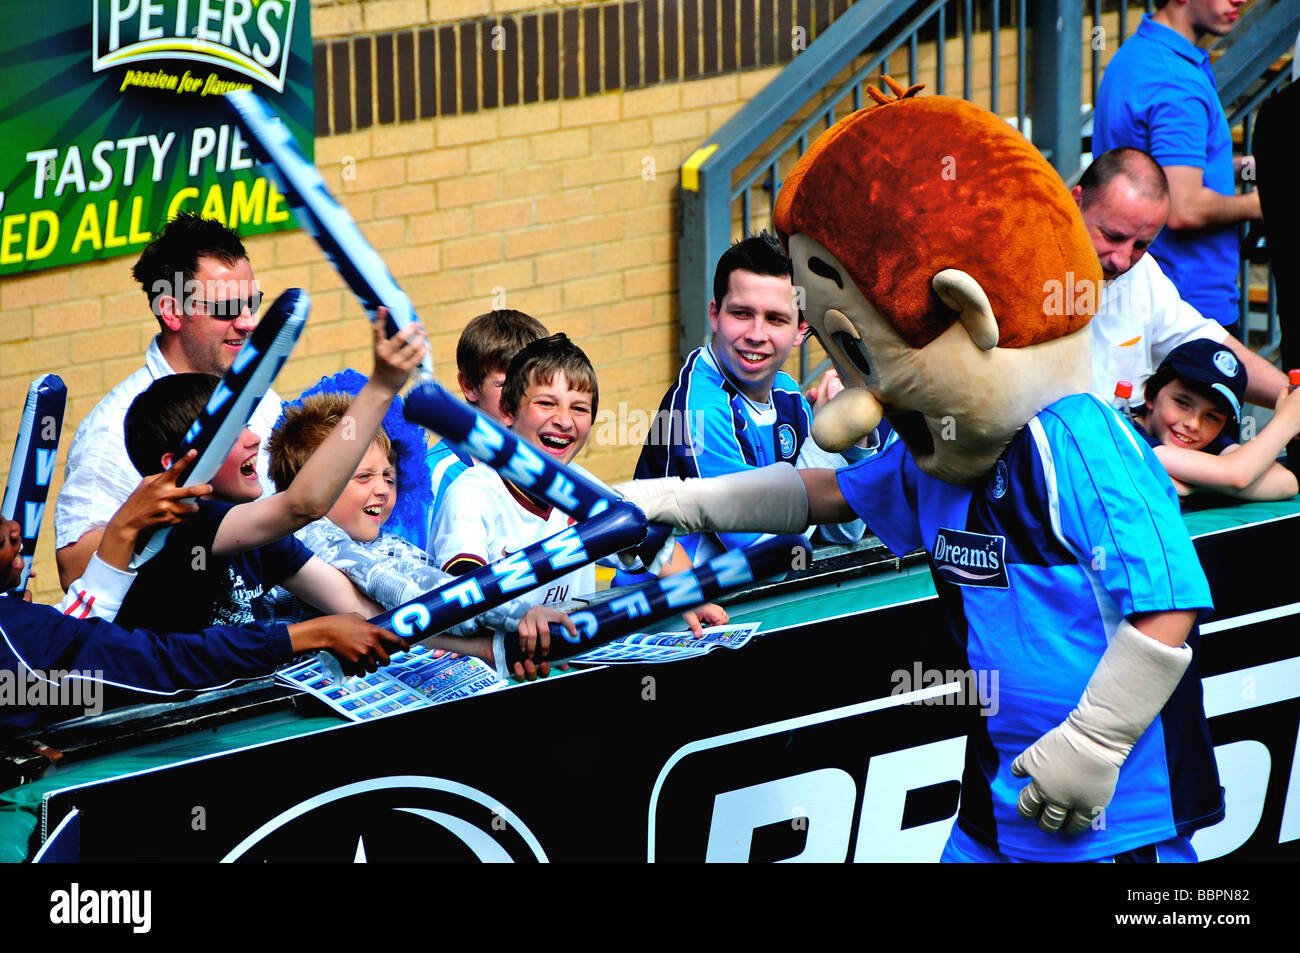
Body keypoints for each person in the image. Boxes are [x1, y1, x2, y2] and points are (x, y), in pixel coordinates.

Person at [620, 88, 1224, 861]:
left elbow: (1170, 607)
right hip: (1000, 788)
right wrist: (675, 500)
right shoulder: (943, 448)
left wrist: (1095, 742)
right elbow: (819, 493)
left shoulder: (1078, 438)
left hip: (1108, 803)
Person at [111, 317, 426, 633]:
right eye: (233, 430)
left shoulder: (259, 537)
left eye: (247, 424)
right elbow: (301, 506)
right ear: (178, 463)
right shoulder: (180, 527)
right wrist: (381, 386)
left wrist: (452, 639)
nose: (254, 438)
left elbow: (360, 610)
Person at [265, 380, 577, 680]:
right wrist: (511, 613)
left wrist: (497, 642)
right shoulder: (306, 532)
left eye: (388, 477)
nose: (384, 489)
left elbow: (426, 576)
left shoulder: (383, 542)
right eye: (364, 477)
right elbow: (394, 584)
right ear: (314, 485)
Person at [0, 512, 408, 735]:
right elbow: (157, 664)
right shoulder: (15, 634)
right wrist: (311, 635)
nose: (14, 528)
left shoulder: (19, 625)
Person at [431, 333, 727, 638]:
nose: (564, 420)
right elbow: (462, 591)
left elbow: (658, 547)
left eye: (580, 408)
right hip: (495, 667)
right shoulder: (472, 492)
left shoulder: (585, 489)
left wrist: (690, 592)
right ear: (507, 410)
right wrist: (518, 616)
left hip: (569, 655)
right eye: (546, 403)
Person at [55, 213, 283, 590]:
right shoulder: (112, 428)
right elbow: (74, 571)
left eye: (252, 304)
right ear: (172, 311)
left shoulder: (258, 392)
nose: (247, 323)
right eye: (227, 308)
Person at [629, 232, 879, 572]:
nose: (756, 334)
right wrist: (820, 443)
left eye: (775, 319)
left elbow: (840, 535)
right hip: (669, 616)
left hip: (737, 609)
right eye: (742, 314)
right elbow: (769, 552)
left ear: (800, 329)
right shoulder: (700, 408)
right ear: (715, 315)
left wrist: (850, 438)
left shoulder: (788, 394)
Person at [1093, 0, 1260, 328]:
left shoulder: (1136, 55)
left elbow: (1165, 169)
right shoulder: (1175, 83)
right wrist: (1263, 205)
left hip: (1144, 298)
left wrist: (1249, 167)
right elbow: (1185, 208)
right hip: (1188, 308)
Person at [1078, 148, 1285, 409]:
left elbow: (1197, 338)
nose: (1122, 259)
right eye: (1112, 236)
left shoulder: (1141, 271)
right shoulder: (1027, 266)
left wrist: (1289, 397)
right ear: (1077, 201)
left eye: (1141, 245)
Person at [425, 309, 549, 548]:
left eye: (535, 383)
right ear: (470, 386)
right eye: (505, 384)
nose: (523, 395)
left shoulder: (553, 463)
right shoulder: (433, 476)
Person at [1131, 339, 1300, 500]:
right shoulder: (1127, 434)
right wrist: (1286, 421)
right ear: (1151, 395)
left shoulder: (1203, 437)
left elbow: (1286, 482)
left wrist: (1196, 487)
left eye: (1212, 416)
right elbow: (1237, 475)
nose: (1193, 424)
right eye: (1182, 403)